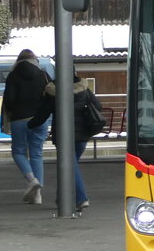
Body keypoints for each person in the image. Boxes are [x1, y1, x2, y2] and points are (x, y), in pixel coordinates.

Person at [29, 72, 103, 212]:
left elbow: (43, 114)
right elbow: (98, 106)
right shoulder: (84, 89)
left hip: (63, 136)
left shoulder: (54, 91)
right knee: (69, 166)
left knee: (70, 167)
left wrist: (30, 124)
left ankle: (81, 199)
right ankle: (61, 198)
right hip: (82, 136)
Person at [1, 49, 52, 204]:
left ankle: (31, 180)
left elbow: (9, 100)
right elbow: (50, 95)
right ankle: (37, 196)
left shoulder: (13, 75)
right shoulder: (44, 75)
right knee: (36, 153)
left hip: (19, 119)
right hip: (40, 119)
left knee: (18, 152)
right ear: (35, 60)